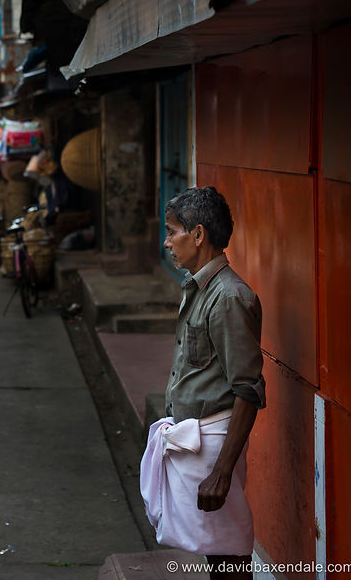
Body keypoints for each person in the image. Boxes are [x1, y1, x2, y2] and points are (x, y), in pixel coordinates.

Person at [140, 187, 266, 580]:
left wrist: (222, 472)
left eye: (172, 231)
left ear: (197, 235)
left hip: (213, 447)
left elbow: (248, 389)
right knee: (216, 552)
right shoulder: (199, 287)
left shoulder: (228, 297)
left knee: (228, 558)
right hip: (196, 440)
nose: (166, 241)